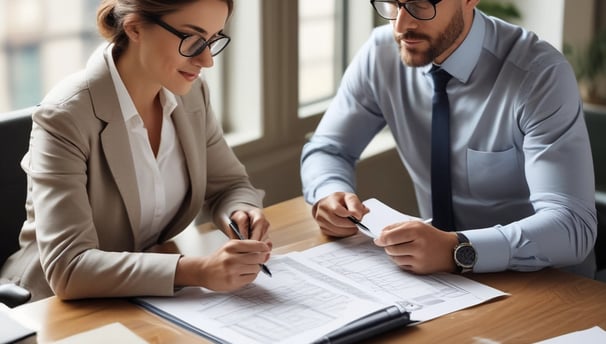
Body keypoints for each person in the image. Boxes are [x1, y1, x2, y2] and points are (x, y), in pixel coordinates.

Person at [301, 0, 597, 278]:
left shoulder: (539, 75)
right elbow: (328, 149)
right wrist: (329, 193)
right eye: (392, 3)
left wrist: (459, 249)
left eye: (420, 4)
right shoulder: (380, 54)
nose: (400, 25)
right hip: (440, 283)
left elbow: (572, 227)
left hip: (548, 287)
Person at [0, 0, 272, 302]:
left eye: (212, 40)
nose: (207, 60)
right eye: (193, 40)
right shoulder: (65, 116)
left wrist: (241, 213)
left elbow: (229, 185)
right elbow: (68, 266)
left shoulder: (191, 94)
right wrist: (198, 271)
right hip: (50, 307)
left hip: (142, 298)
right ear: (134, 28)